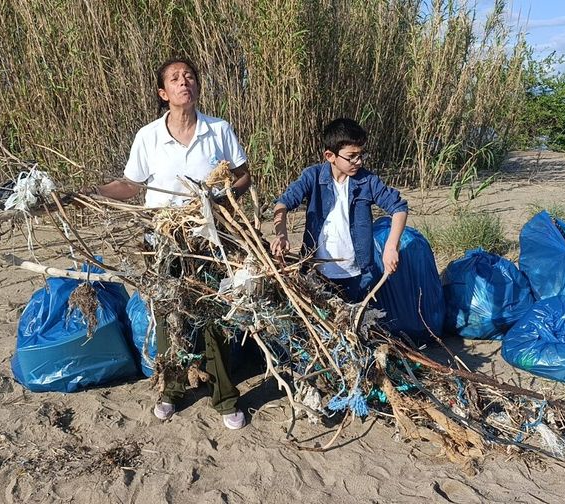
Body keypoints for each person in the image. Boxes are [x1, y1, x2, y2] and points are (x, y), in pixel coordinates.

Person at [88, 57, 250, 430]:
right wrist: (94, 191)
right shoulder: (149, 136)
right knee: (167, 314)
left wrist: (222, 198)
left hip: (210, 237)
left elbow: (243, 175)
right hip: (163, 238)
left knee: (214, 313)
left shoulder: (218, 130)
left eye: (189, 77)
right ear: (163, 93)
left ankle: (224, 396)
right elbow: (131, 185)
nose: (184, 82)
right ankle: (171, 390)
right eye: (175, 79)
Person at [270, 118, 408, 303]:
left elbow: (399, 208)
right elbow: (282, 204)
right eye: (351, 156)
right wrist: (281, 234)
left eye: (361, 155)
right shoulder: (313, 176)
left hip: (358, 274)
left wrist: (391, 247)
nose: (358, 161)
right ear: (330, 156)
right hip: (316, 273)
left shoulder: (367, 181)